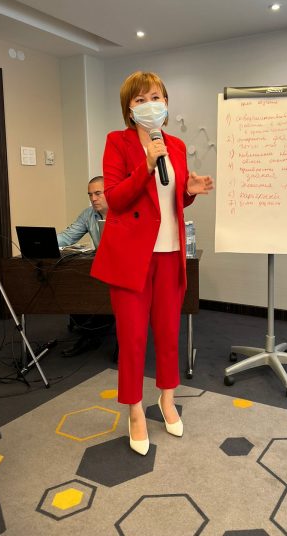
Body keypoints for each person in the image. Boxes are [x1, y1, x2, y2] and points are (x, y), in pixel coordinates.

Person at [91, 71, 213, 455]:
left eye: (156, 97)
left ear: (166, 102)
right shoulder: (118, 142)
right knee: (132, 339)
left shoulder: (175, 144)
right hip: (131, 258)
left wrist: (190, 192)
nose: (150, 105)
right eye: (140, 99)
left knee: (167, 332)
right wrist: (145, 166)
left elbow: (172, 198)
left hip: (170, 253)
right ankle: (134, 411)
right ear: (129, 109)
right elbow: (115, 199)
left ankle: (167, 398)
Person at [57, 176, 114, 357]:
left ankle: (112, 338)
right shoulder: (88, 214)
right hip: (102, 269)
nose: (93, 198)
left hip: (126, 270)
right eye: (90, 195)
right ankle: (90, 335)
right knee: (76, 283)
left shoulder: (127, 212)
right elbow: (67, 237)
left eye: (98, 193)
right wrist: (44, 242)